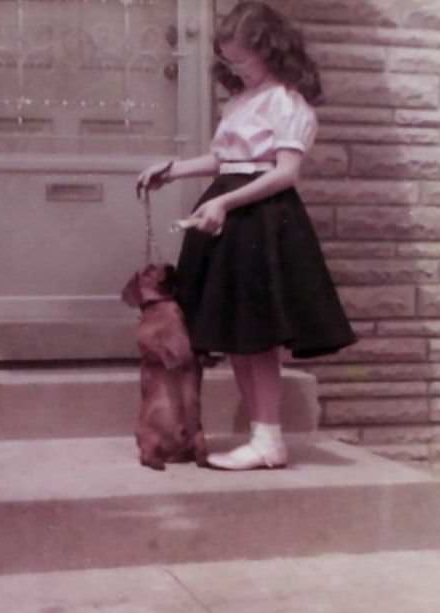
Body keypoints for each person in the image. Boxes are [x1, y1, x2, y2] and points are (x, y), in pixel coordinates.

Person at [136, 0, 356, 471]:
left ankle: (268, 438)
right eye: (229, 60)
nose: (236, 68)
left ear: (271, 50)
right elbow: (225, 160)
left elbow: (285, 174)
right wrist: (172, 170)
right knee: (238, 337)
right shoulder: (243, 100)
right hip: (232, 218)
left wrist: (224, 203)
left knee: (258, 338)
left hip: (262, 219)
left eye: (243, 59)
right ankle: (262, 439)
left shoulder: (287, 102)